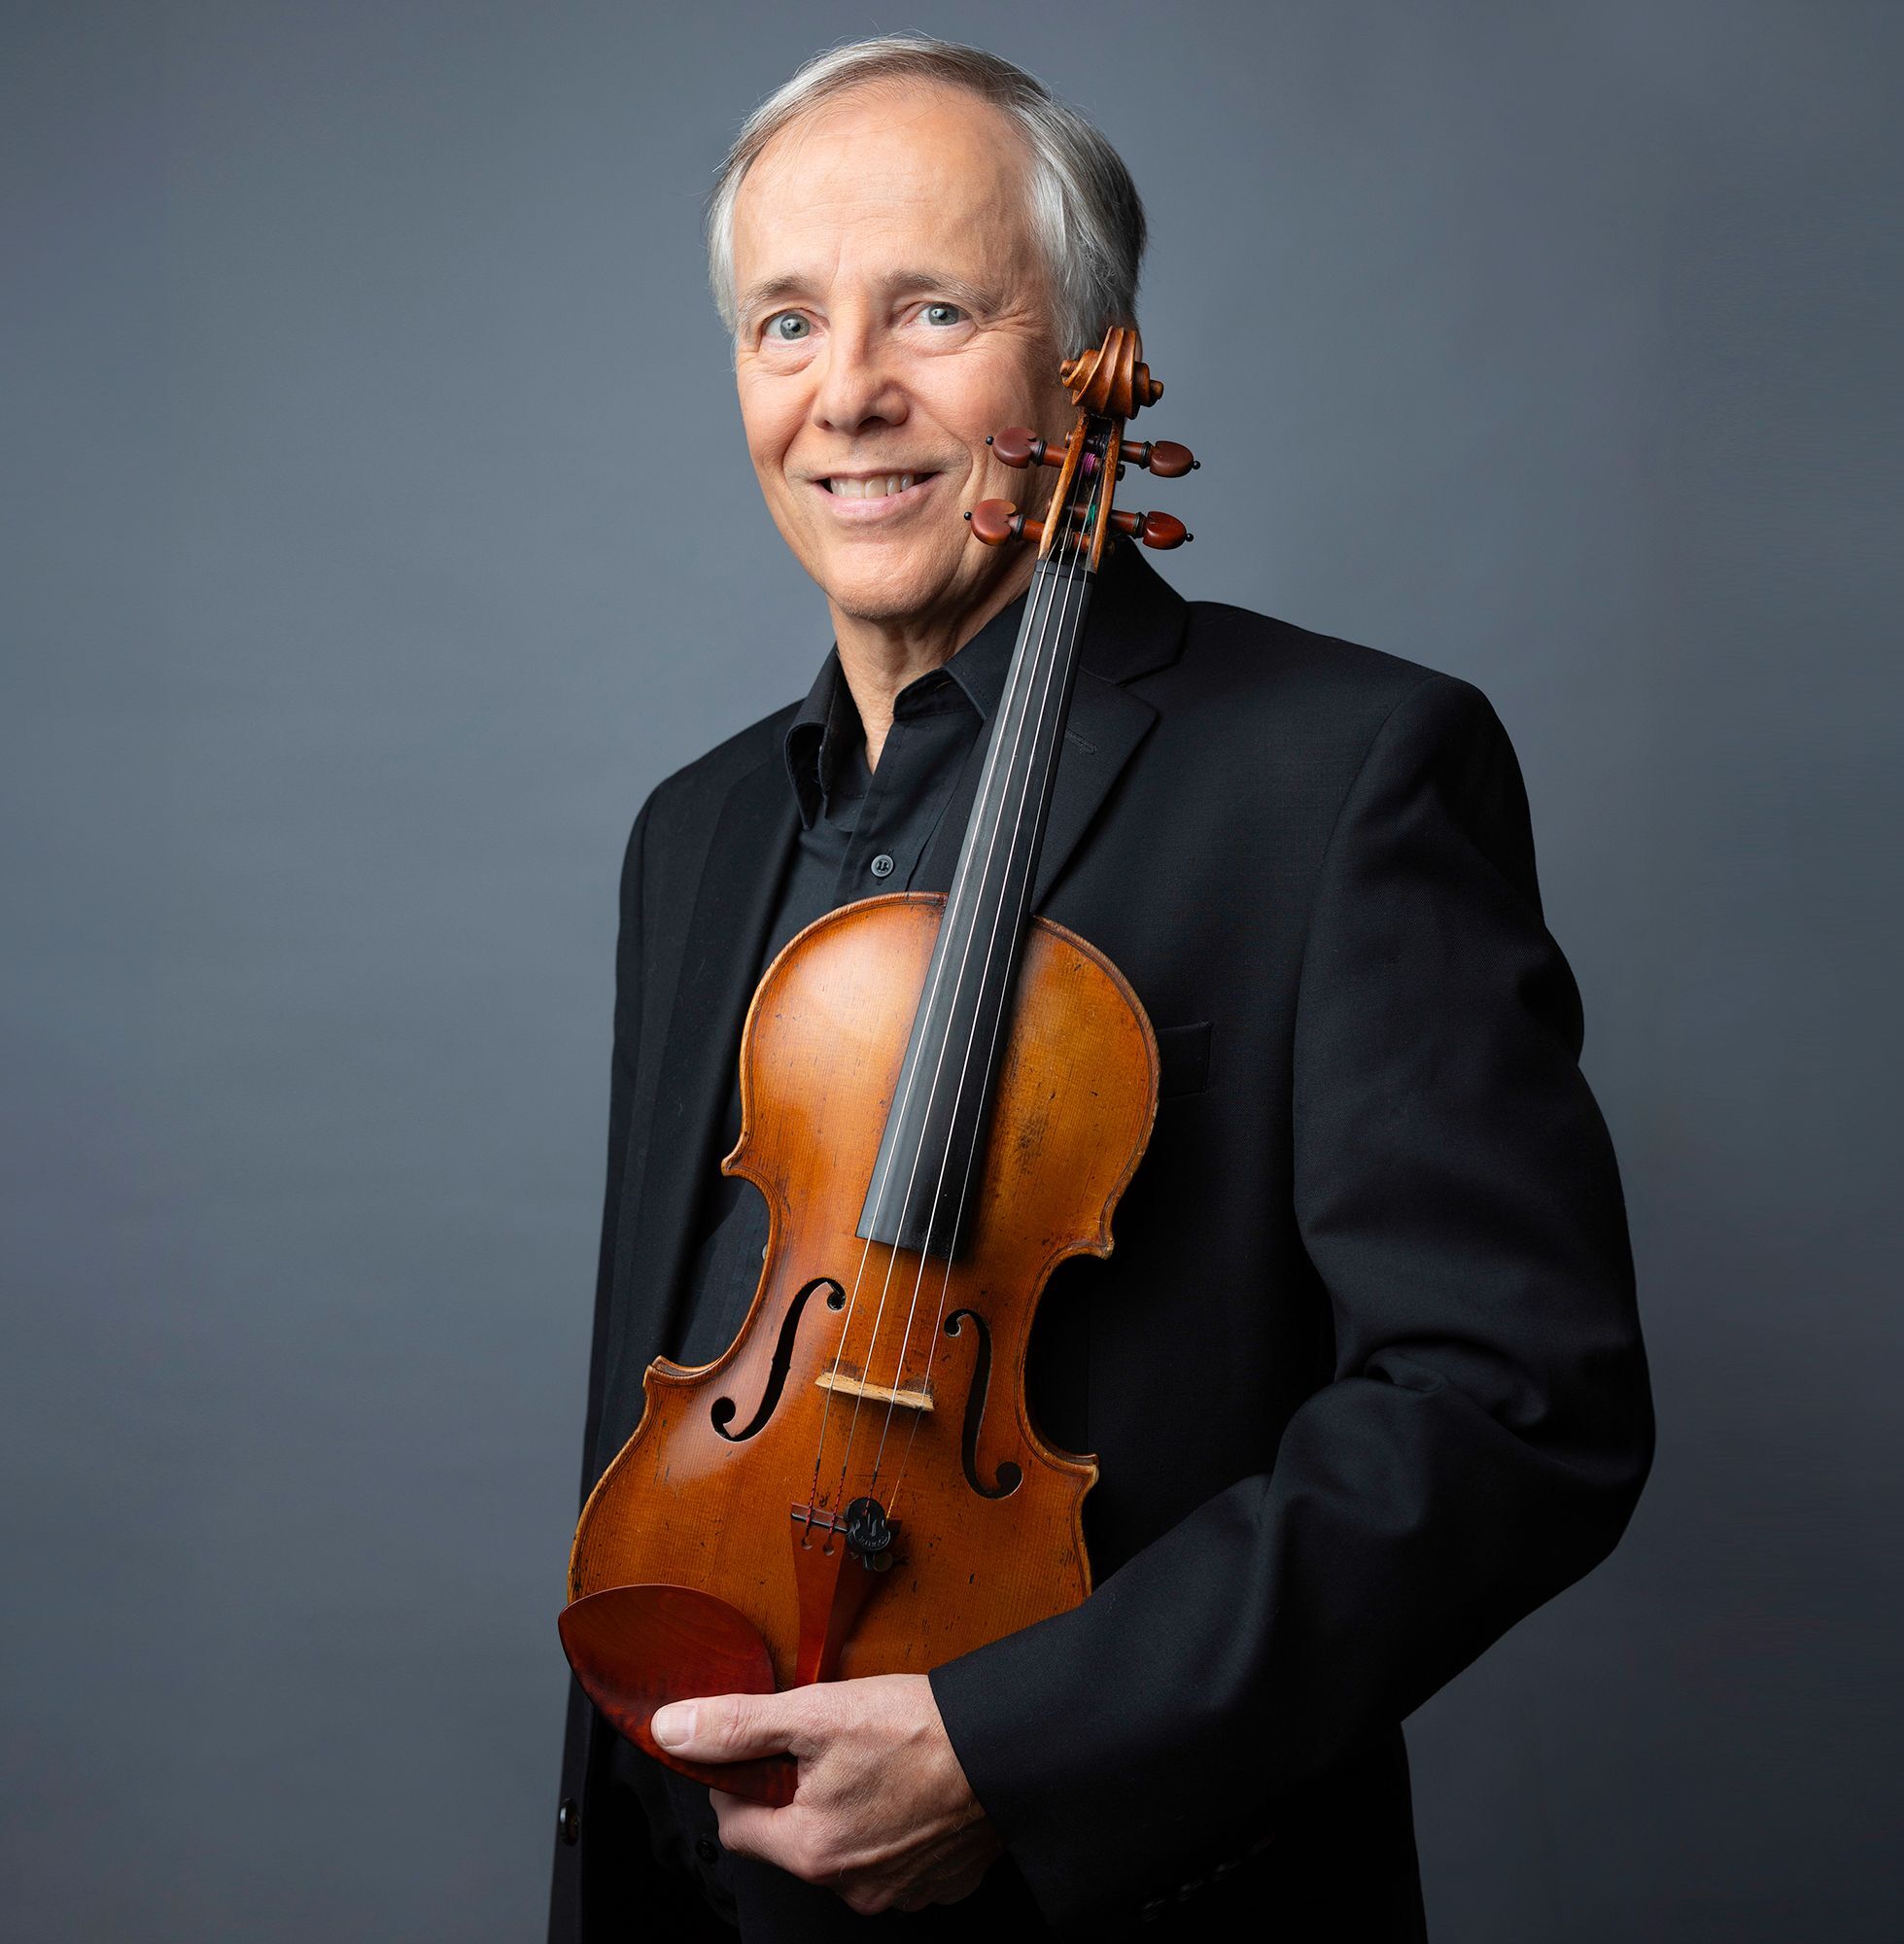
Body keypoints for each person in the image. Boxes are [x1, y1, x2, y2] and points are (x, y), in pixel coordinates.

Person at [549, 35, 1652, 1944]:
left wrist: (1011, 1747)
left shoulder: (1345, 772)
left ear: (1084, 360)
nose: (849, 396)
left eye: (936, 310)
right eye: (786, 323)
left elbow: (1508, 1407)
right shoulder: (695, 831)